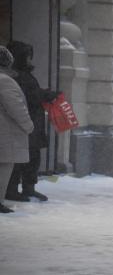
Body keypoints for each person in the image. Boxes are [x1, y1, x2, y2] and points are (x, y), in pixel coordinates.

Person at [5, 41, 59, 202]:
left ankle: (28, 188)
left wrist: (44, 93)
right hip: (24, 124)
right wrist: (45, 96)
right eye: (28, 56)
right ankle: (12, 190)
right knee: (20, 160)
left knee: (32, 158)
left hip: (32, 122)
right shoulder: (15, 76)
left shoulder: (24, 74)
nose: (30, 60)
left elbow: (32, 94)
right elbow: (26, 98)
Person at [0, 45, 34, 213]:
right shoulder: (4, 80)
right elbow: (16, 107)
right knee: (4, 166)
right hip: (6, 132)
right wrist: (28, 126)